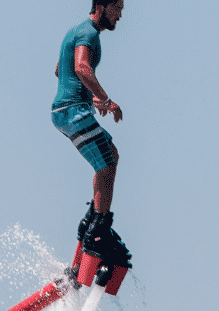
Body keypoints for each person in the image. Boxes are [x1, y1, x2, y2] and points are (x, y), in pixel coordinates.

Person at [53, 0, 131, 275]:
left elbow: (59, 70)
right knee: (108, 161)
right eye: (117, 8)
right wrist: (106, 100)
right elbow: (81, 67)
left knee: (108, 155)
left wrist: (90, 95)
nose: (120, 15)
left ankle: (92, 224)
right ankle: (97, 230)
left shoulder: (76, 31)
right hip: (73, 111)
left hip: (68, 110)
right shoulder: (88, 33)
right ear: (101, 5)